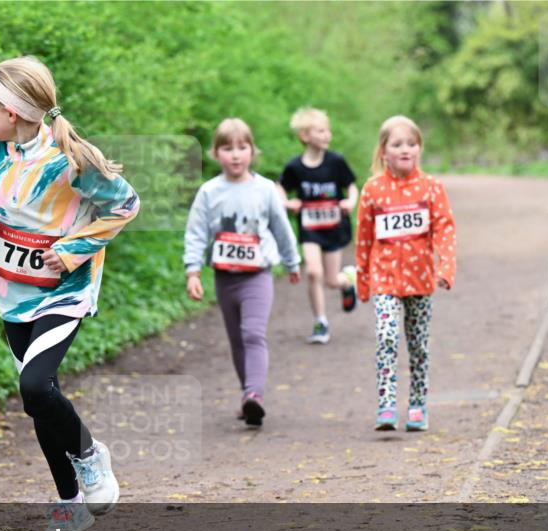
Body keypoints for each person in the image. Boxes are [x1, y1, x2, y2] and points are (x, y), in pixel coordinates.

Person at [0, 56, 140, 531]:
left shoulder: (71, 159)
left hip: (64, 292)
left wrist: (71, 250)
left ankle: (90, 456)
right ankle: (71, 504)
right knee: (40, 399)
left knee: (34, 387)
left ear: (13, 110)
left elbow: (126, 205)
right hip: (13, 294)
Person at [184, 118, 301, 428]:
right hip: (225, 277)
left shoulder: (264, 189)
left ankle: (255, 394)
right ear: (215, 154)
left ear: (252, 151)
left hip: (257, 276)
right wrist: (193, 271)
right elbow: (196, 233)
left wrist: (292, 262)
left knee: (253, 334)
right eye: (227, 148)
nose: (235, 155)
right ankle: (247, 395)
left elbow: (281, 227)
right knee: (237, 339)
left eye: (242, 147)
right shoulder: (209, 192)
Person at [355, 115, 456, 432]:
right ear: (383, 150)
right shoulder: (372, 189)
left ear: (419, 149)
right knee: (386, 336)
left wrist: (446, 268)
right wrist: (363, 283)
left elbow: (445, 229)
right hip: (384, 279)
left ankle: (418, 404)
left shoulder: (431, 187)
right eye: (397, 144)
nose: (405, 149)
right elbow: (364, 238)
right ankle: (386, 405)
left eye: (411, 144)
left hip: (421, 280)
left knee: (418, 345)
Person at [279, 107, 359, 344]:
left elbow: (352, 186)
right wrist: (286, 202)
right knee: (314, 272)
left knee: (331, 280)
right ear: (305, 136)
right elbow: (280, 186)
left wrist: (351, 201)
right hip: (310, 228)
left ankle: (348, 281)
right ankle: (321, 322)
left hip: (334, 227)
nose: (327, 135)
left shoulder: (336, 162)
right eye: (321, 131)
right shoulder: (295, 167)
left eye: (328, 131)